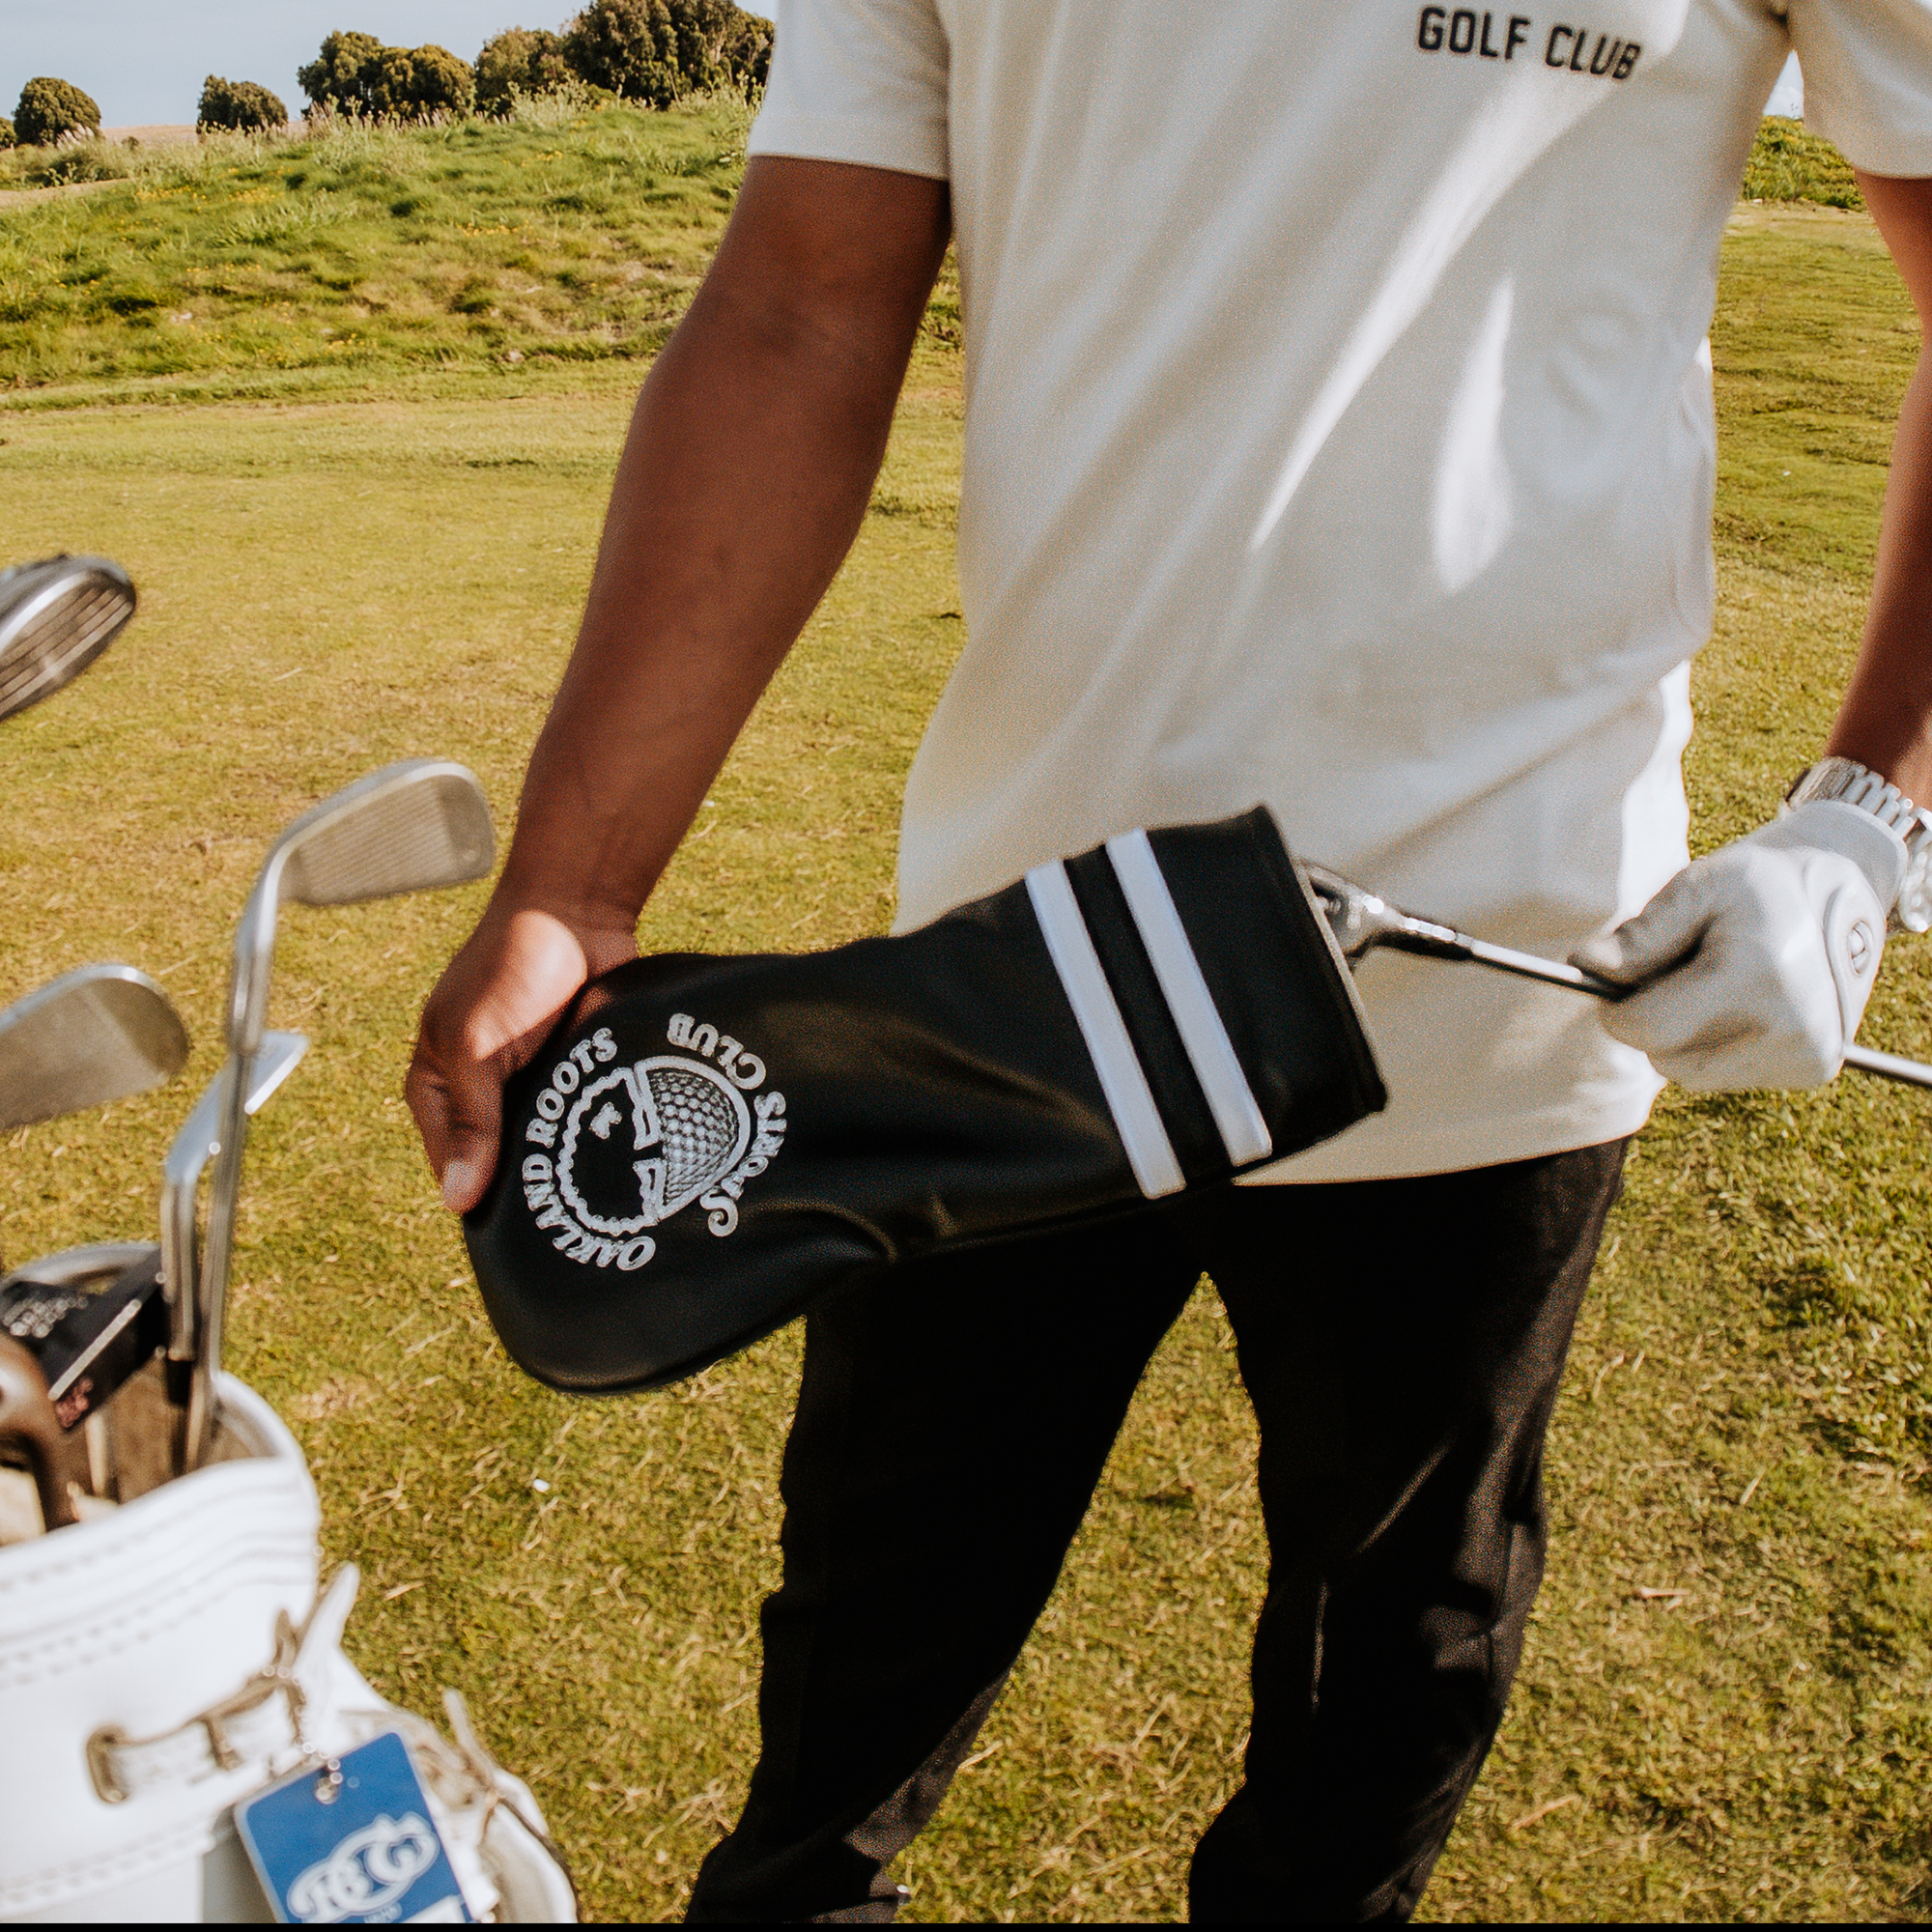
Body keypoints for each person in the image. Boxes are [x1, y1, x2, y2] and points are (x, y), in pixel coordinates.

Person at [408, 1, 1932, 1918]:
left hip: (1501, 980)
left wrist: (1866, 822)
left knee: (1385, 1688)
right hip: (1027, 980)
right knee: (849, 1716)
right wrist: (571, 878)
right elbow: (800, 308)